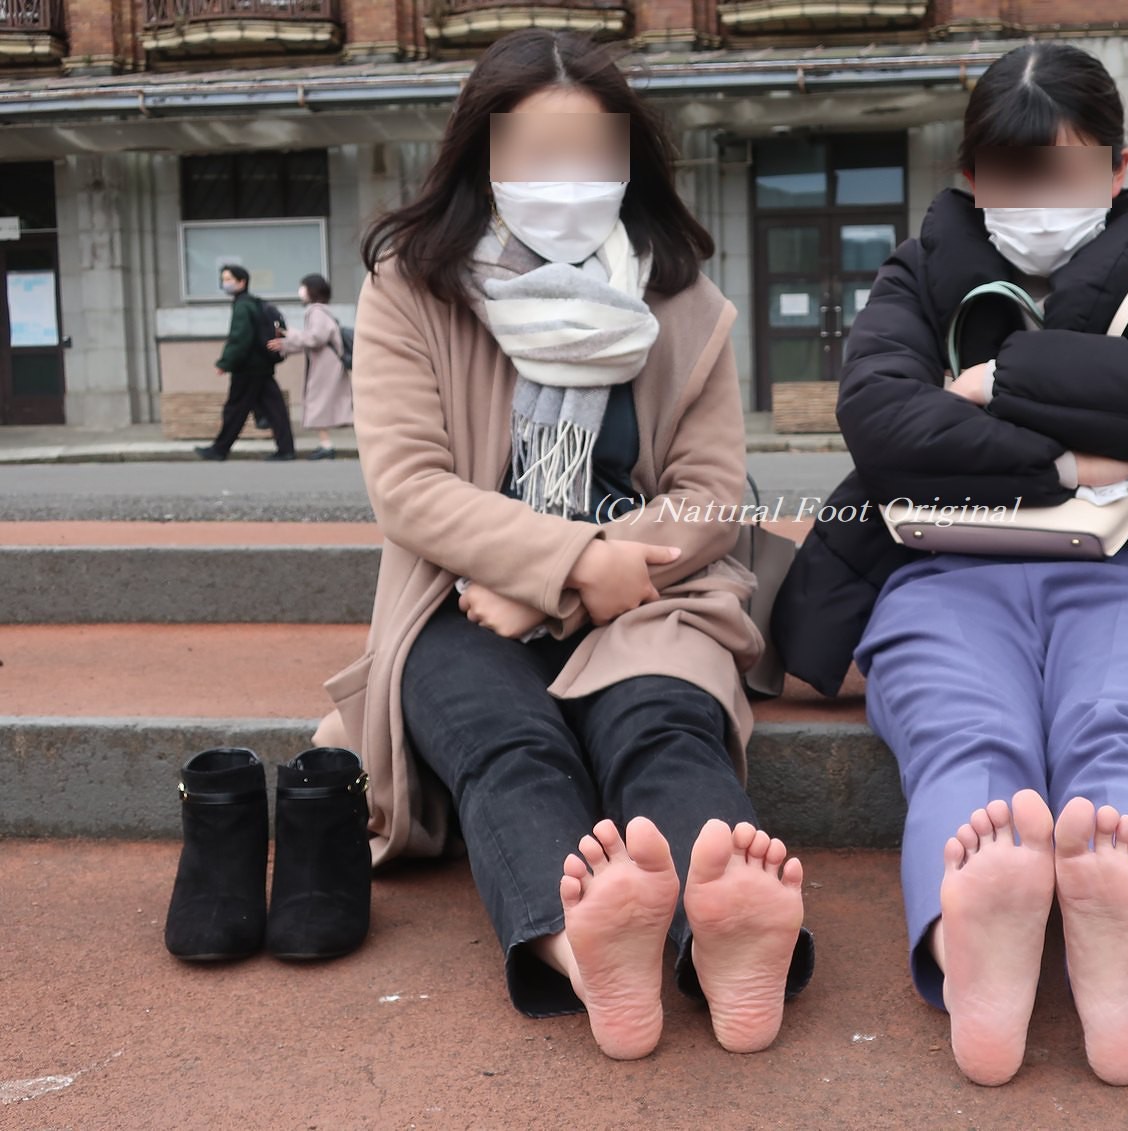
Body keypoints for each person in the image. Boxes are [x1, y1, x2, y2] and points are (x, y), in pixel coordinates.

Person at [772, 43, 1128, 1087]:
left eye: (1065, 171)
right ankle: (974, 936)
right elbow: (882, 422)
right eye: (1014, 173)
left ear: (1117, 169)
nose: (1039, 199)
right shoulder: (916, 271)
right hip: (940, 569)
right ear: (971, 174)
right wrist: (1072, 459)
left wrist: (996, 381)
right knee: (961, 726)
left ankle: (1123, 937)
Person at [309, 29, 812, 1061]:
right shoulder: (412, 288)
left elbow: (709, 494)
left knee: (665, 726)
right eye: (538, 157)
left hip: (655, 590)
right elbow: (410, 488)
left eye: (592, 156)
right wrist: (570, 563)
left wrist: (578, 580)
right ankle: (584, 951)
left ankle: (724, 937)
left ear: (631, 163)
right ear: (482, 158)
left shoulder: (686, 302)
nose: (567, 183)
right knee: (508, 745)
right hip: (461, 598)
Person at [194, 264, 296, 462]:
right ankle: (286, 449)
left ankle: (219, 450)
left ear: (242, 282)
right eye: (223, 279)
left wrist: (225, 362)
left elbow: (239, 338)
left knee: (235, 409)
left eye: (228, 279)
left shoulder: (242, 306)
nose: (224, 283)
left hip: (248, 368)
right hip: (262, 365)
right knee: (275, 409)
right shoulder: (254, 303)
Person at [269, 273, 352, 460]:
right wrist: (286, 343)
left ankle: (326, 445)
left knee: (318, 401)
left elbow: (315, 338)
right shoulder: (321, 311)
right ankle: (325, 444)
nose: (301, 291)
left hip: (326, 365)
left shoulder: (316, 311)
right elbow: (311, 339)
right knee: (323, 402)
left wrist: (288, 334)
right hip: (326, 363)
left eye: (303, 287)